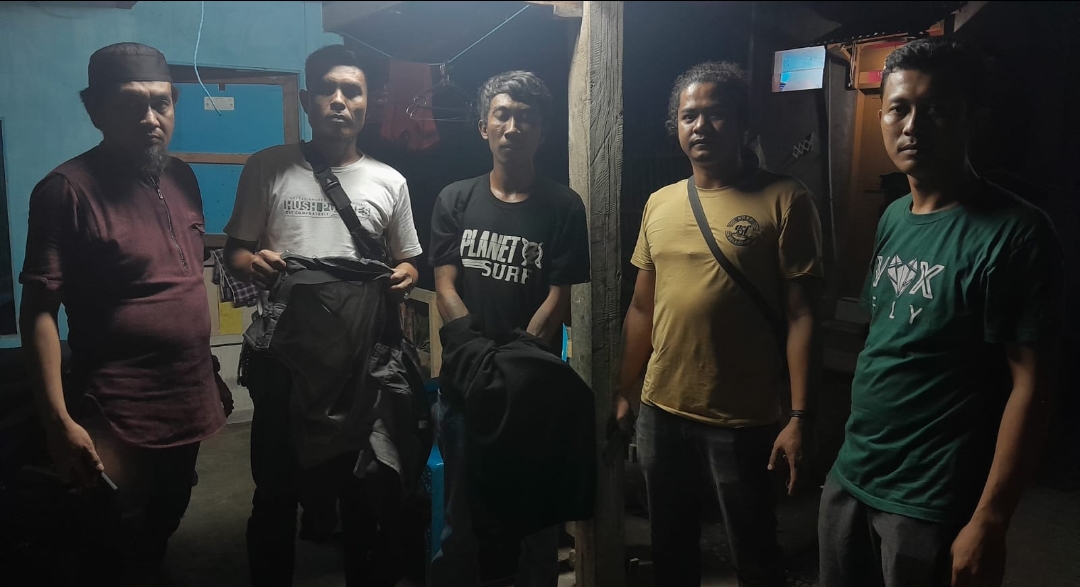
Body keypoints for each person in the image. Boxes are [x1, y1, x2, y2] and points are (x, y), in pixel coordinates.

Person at [818, 36, 1062, 587]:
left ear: (973, 120)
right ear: (881, 116)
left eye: (937, 111)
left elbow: (1033, 386)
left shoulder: (1016, 234)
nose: (912, 127)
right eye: (899, 109)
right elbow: (886, 343)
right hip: (852, 475)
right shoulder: (895, 216)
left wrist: (991, 518)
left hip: (931, 501)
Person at [18, 42, 226, 584]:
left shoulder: (182, 177)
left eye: (161, 103)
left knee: (164, 520)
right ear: (96, 110)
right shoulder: (66, 191)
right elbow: (39, 312)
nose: (151, 118)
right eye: (132, 104)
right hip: (116, 411)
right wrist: (58, 422)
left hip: (188, 400)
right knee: (108, 541)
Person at [614, 61, 824, 587]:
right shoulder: (659, 203)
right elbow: (641, 307)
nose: (701, 126)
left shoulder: (786, 198)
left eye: (716, 114)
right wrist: (624, 390)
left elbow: (802, 314)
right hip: (661, 410)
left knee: (753, 550)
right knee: (670, 546)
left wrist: (799, 415)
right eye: (689, 116)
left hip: (742, 416)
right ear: (676, 127)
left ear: (743, 123)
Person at [222, 44, 424, 587]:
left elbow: (407, 260)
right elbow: (235, 251)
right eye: (328, 90)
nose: (339, 101)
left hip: (360, 366)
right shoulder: (268, 166)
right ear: (308, 100)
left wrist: (406, 275)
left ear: (368, 103)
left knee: (361, 490)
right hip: (284, 363)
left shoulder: (389, 181)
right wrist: (253, 262)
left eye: (351, 91)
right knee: (275, 493)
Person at [428, 70, 590, 587]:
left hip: (532, 395)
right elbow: (445, 287)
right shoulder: (455, 199)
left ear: (542, 131)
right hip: (463, 391)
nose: (513, 127)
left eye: (526, 118)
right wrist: (480, 365)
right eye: (502, 115)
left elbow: (558, 297)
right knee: (460, 519)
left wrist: (509, 368)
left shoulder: (564, 207)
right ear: (484, 126)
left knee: (535, 525)